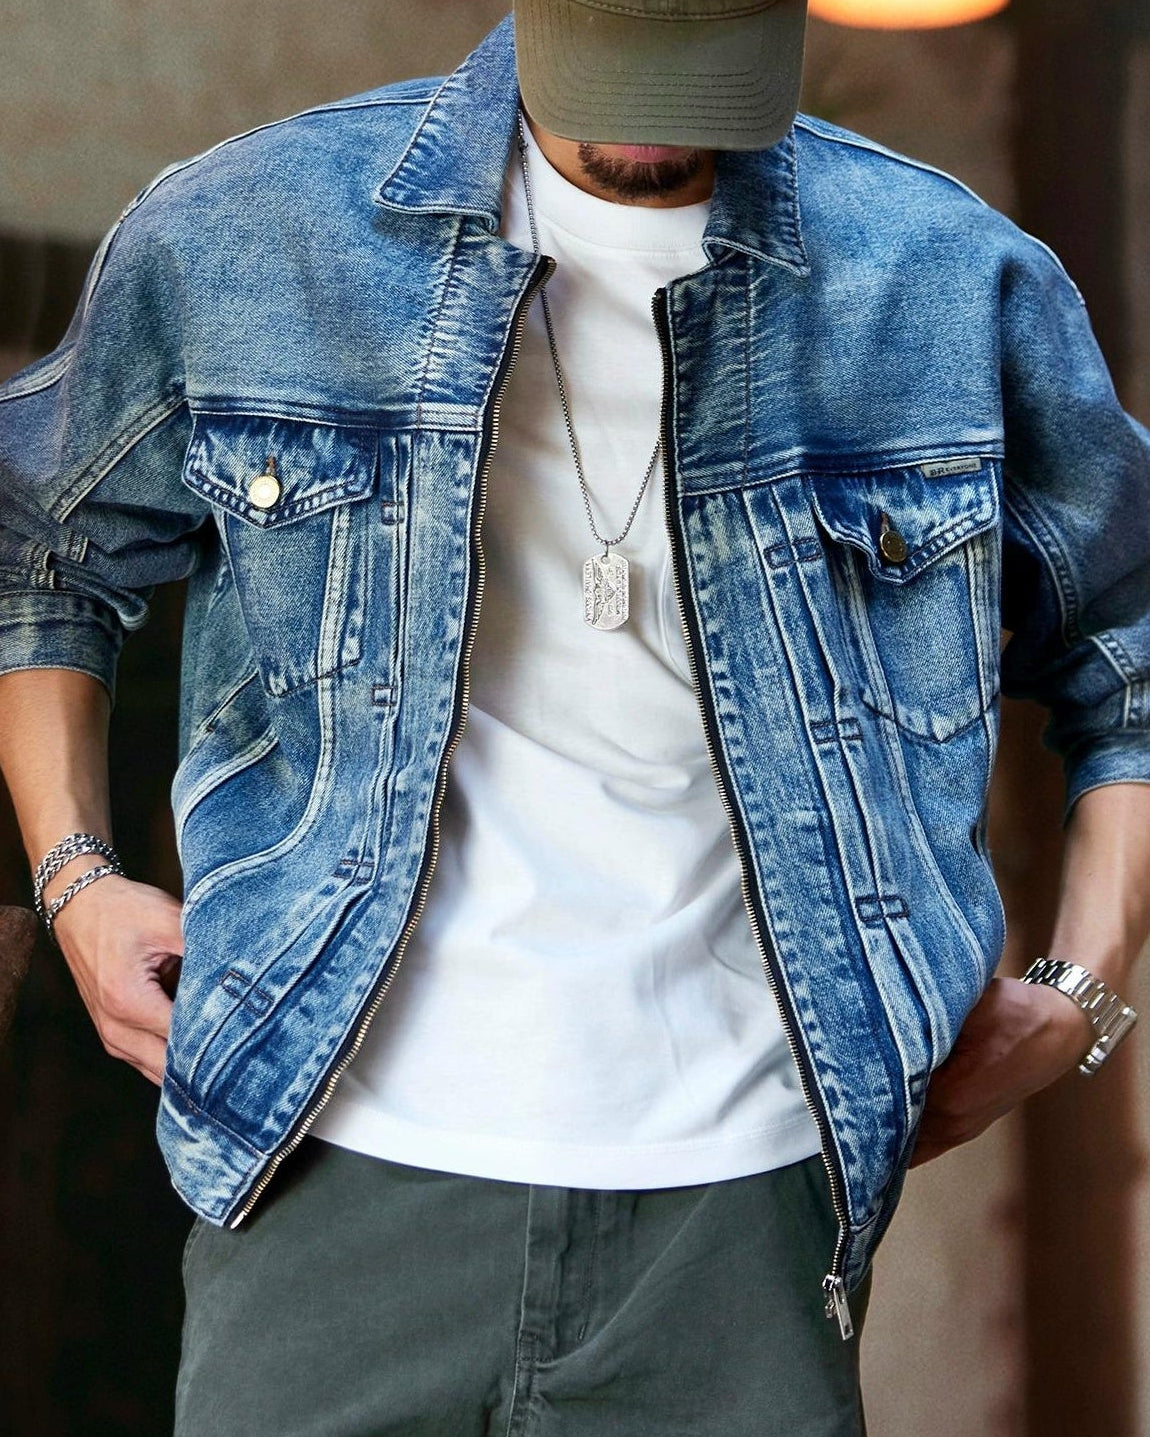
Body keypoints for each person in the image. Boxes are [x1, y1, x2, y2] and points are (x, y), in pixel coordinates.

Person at [1, 2, 1148, 1431]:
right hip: (322, 1170)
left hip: (737, 1219)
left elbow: (1127, 635)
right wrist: (76, 879)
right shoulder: (248, 233)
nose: (657, 124)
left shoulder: (942, 278)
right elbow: (41, 553)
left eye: (706, 70)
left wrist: (1084, 991)